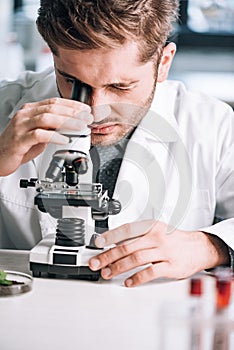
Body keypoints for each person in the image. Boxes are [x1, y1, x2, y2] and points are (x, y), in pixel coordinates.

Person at [0, 0, 234, 287]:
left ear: (163, 63)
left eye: (119, 87)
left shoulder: (212, 124)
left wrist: (210, 246)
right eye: (72, 80)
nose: (96, 110)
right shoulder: (5, 107)